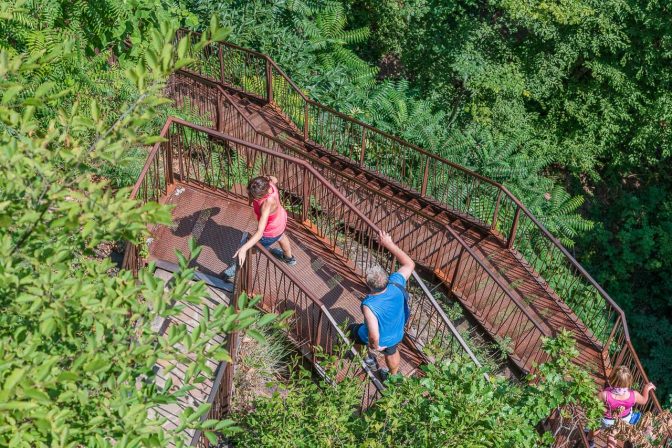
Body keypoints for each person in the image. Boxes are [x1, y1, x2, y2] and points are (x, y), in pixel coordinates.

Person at [348, 230, 415, 378]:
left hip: (382, 339)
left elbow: (373, 334)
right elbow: (409, 264)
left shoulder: (369, 305)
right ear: (386, 279)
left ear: (369, 285)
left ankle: (367, 358)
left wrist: (375, 346)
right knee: (391, 351)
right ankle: (393, 376)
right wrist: (389, 244)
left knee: (353, 331)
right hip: (397, 332)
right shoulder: (396, 283)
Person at [223, 175, 296, 281]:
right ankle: (289, 259)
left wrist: (243, 249)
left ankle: (234, 271)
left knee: (252, 248)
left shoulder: (267, 203)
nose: (252, 197)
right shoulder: (268, 183)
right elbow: (275, 178)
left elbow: (260, 232)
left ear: (262, 195)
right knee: (281, 236)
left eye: (255, 196)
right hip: (280, 220)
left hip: (270, 231)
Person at [588, 365, 656, 448]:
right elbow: (644, 400)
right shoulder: (633, 395)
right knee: (612, 437)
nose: (621, 389)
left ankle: (589, 440)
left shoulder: (605, 395)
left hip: (606, 419)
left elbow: (594, 404)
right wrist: (646, 388)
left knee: (595, 426)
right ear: (629, 382)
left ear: (612, 380)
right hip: (622, 421)